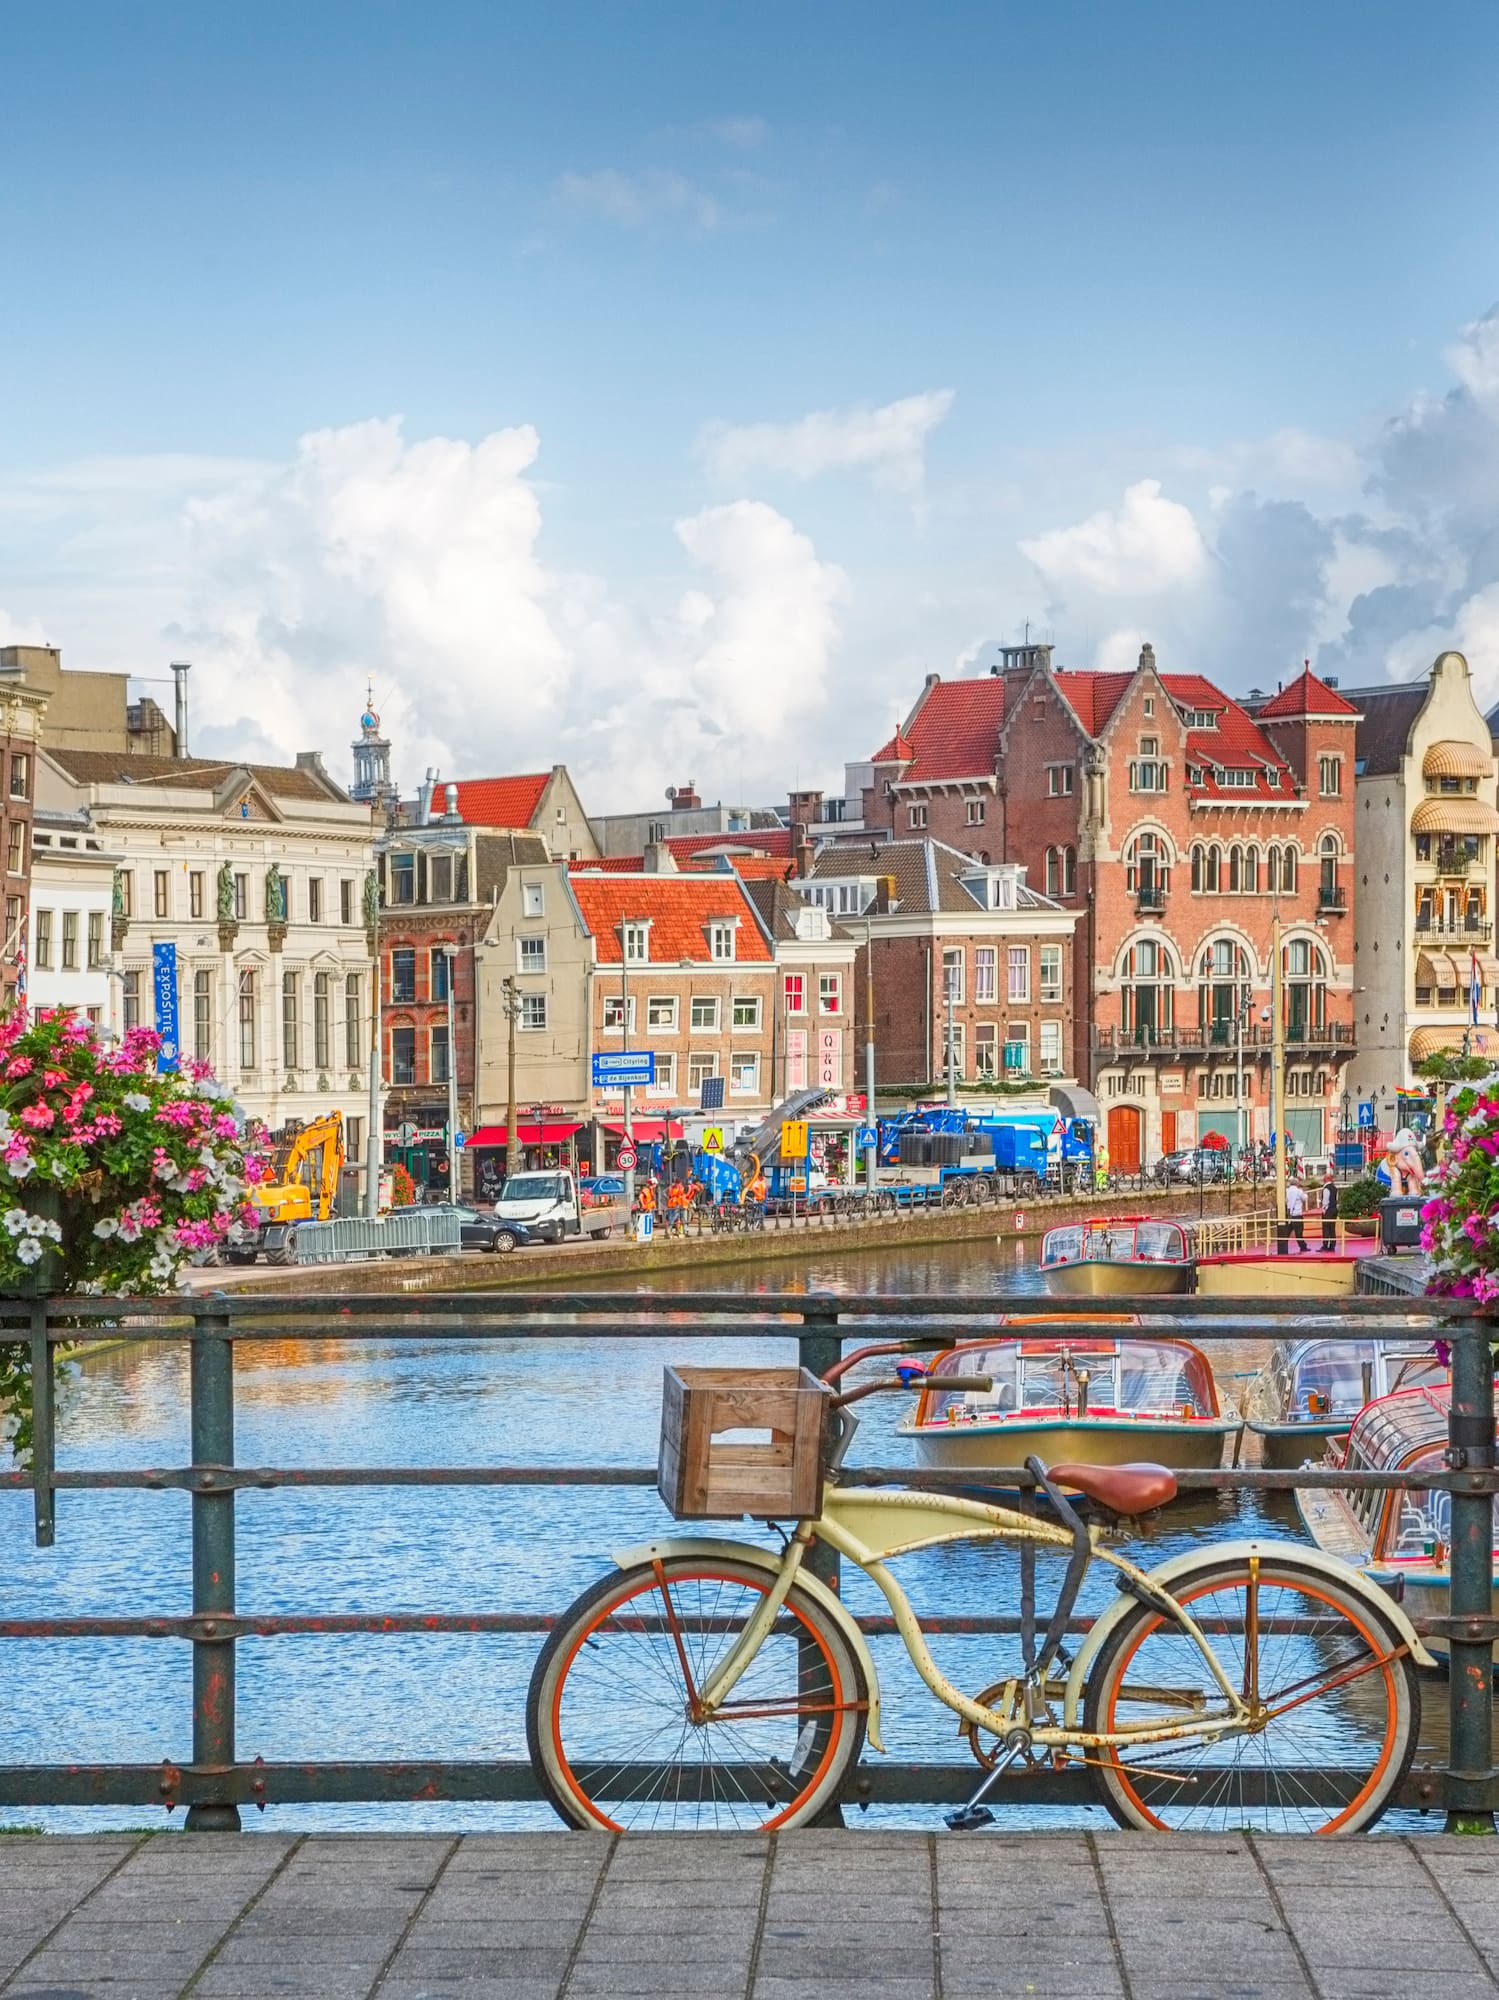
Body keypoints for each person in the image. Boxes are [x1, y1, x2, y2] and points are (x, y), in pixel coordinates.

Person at [1282, 1176, 1307, 1254]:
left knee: (1287, 1232)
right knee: (1299, 1232)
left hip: (1290, 1215)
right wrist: (1305, 1194)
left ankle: (1283, 1246)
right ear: (1297, 1184)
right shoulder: (1299, 1191)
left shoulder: (1287, 1191)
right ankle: (1303, 1247)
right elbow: (1304, 1199)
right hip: (1297, 1215)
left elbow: (1286, 1201)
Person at [1318, 1166, 1338, 1251]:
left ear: (1326, 1179)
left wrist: (1323, 1210)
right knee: (1332, 1228)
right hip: (1334, 1210)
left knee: (1326, 1228)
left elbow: (1325, 1201)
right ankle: (1332, 1245)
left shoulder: (1326, 1188)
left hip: (1328, 1211)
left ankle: (1325, 1245)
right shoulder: (1334, 1187)